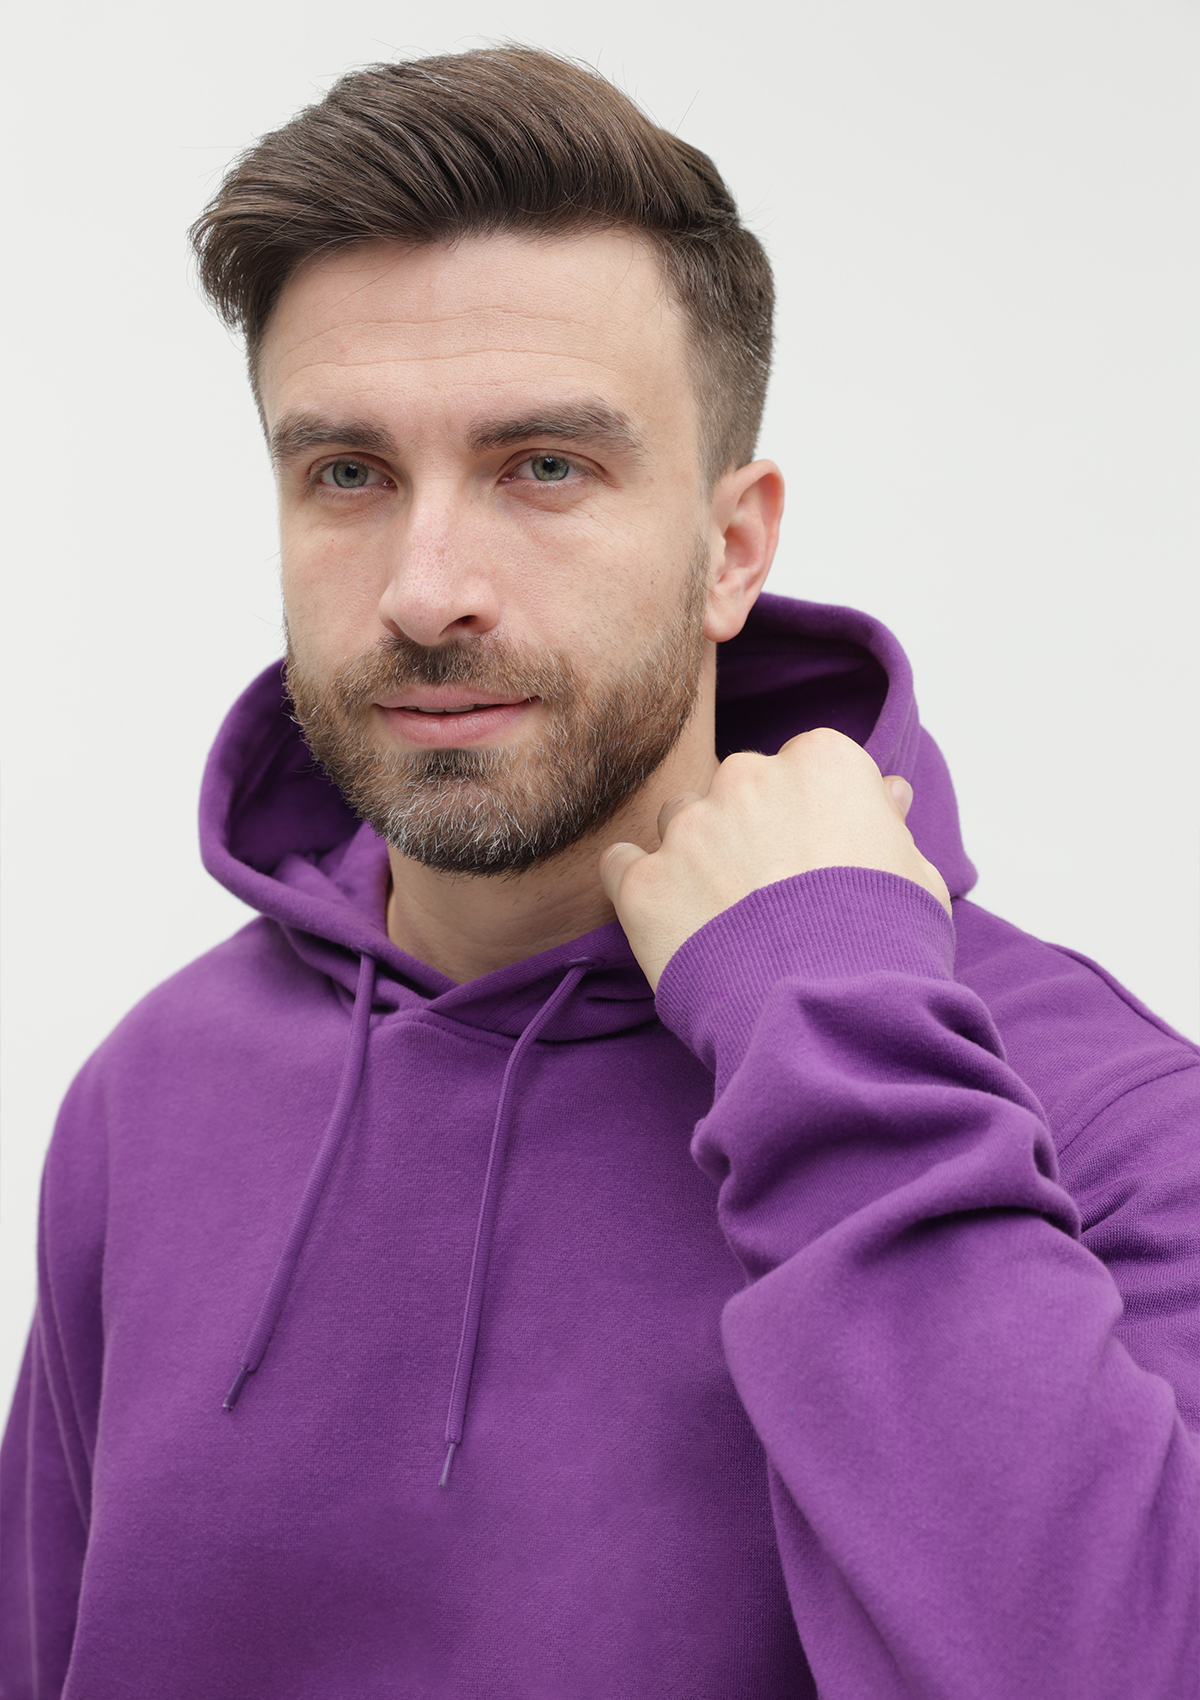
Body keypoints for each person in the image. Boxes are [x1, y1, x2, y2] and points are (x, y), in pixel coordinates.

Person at [1, 43, 1195, 1700]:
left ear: (733, 548)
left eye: (543, 468)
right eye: (347, 474)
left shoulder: (1097, 1115)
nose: (425, 588)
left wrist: (826, 1028)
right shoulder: (154, 1093)